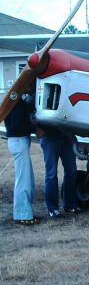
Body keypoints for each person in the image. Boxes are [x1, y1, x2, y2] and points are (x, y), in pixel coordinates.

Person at [5, 88, 39, 225]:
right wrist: (34, 128)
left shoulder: (14, 102)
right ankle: (22, 215)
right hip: (19, 141)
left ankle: (25, 212)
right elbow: (17, 126)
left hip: (18, 141)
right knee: (23, 180)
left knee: (27, 178)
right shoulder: (16, 103)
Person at [38, 125, 82, 218]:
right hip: (49, 136)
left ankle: (70, 205)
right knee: (51, 174)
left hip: (67, 136)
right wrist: (37, 129)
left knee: (72, 171)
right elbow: (33, 113)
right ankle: (52, 208)